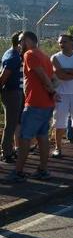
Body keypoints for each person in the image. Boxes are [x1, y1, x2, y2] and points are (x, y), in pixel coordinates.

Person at [6, 31, 56, 182]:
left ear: (27, 40)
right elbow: (54, 77)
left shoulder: (30, 55)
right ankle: (42, 169)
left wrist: (51, 90)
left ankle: (18, 171)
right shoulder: (44, 56)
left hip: (35, 103)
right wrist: (53, 92)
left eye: (21, 41)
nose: (19, 44)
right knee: (42, 137)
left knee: (24, 137)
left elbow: (42, 75)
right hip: (46, 104)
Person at [0, 31, 23, 163]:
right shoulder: (13, 56)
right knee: (11, 124)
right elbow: (4, 76)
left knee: (13, 123)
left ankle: (9, 149)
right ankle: (7, 152)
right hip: (12, 92)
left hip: (13, 91)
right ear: (20, 43)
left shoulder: (12, 53)